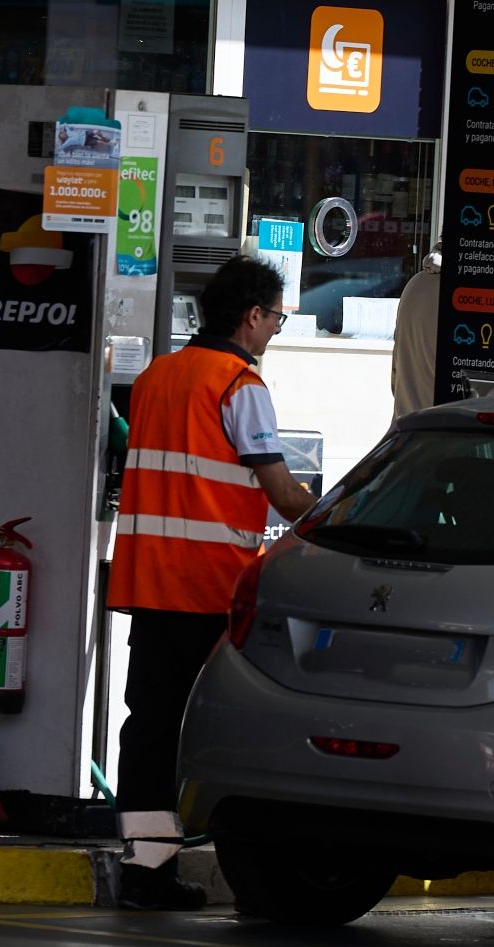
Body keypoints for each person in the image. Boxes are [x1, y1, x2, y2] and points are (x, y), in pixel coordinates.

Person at [108, 256, 316, 910]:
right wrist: (344, 513)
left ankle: (145, 871)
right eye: (277, 319)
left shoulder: (156, 378)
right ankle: (242, 863)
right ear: (252, 315)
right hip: (209, 591)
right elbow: (281, 492)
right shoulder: (238, 385)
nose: (274, 331)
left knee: (148, 728)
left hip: (150, 584)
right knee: (222, 730)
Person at [391, 239, 441, 418]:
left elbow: (396, 371)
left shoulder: (415, 284)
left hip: (406, 431)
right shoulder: (466, 297)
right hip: (444, 434)